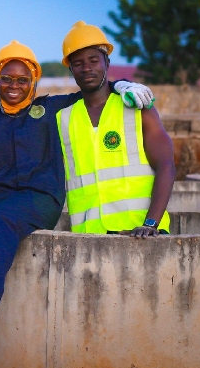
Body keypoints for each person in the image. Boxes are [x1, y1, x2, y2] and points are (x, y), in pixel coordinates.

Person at [0, 39, 155, 360]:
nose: (14, 86)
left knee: (0, 220)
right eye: (6, 79)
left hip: (39, 198)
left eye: (22, 80)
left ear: (33, 81)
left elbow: (94, 89)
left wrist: (122, 84)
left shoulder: (52, 109)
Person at [57, 21, 175, 237]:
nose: (87, 68)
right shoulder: (62, 117)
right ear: (71, 69)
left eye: (94, 60)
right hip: (88, 238)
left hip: (143, 234)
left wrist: (150, 224)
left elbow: (166, 165)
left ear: (107, 62)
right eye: (78, 63)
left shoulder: (137, 106)